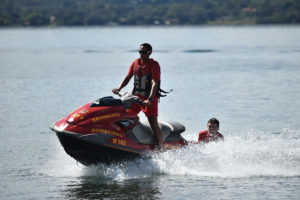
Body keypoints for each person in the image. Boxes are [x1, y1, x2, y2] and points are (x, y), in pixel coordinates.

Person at [112, 43, 164, 149]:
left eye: (144, 52)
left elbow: (154, 83)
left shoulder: (154, 65)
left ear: (149, 53)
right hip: (135, 98)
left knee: (153, 122)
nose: (141, 54)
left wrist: (150, 99)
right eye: (140, 51)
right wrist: (119, 88)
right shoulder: (135, 63)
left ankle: (161, 148)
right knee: (126, 116)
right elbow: (128, 77)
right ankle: (124, 140)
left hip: (149, 99)